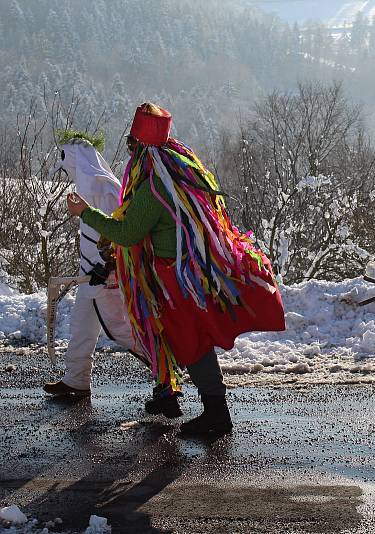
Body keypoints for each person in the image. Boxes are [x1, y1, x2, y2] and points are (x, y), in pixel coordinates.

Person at [66, 103, 286, 435]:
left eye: (131, 146)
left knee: (191, 344)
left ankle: (216, 414)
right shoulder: (177, 174)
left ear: (139, 148)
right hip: (184, 276)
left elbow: (127, 233)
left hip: (175, 281)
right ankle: (171, 395)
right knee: (171, 337)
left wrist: (85, 212)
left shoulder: (155, 187)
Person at [43, 133, 145, 398]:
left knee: (121, 331)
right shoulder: (87, 189)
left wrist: (109, 267)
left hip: (105, 276)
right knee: (82, 326)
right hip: (89, 273)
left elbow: (118, 231)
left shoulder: (104, 188)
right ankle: (76, 379)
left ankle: (167, 371)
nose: (67, 175)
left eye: (67, 169)